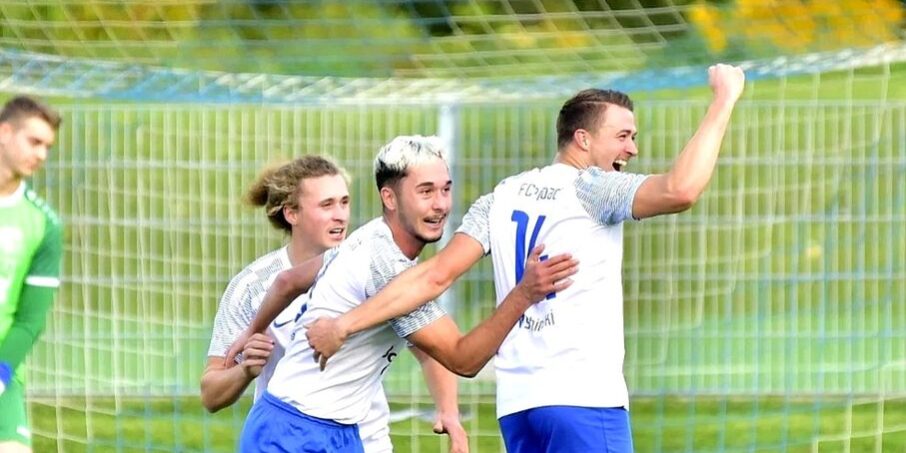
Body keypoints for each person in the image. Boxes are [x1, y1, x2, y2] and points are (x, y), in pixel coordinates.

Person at [303, 64, 746, 453]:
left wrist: (344, 324)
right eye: (623, 136)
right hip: (583, 400)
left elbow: (434, 275)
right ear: (583, 139)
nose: (632, 149)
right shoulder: (593, 188)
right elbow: (680, 189)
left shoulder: (502, 195)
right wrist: (723, 100)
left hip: (519, 407)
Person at [226, 135, 578, 453]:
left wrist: (252, 330)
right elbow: (463, 358)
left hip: (341, 433)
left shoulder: (370, 238)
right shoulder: (388, 269)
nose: (440, 204)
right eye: (425, 192)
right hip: (291, 433)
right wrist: (523, 294)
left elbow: (288, 281)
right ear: (389, 198)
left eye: (445, 189)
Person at [200, 156, 467, 452]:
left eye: (344, 202)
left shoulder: (375, 269)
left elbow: (430, 352)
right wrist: (245, 371)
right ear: (292, 213)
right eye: (326, 205)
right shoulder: (253, 285)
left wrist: (449, 410)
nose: (340, 216)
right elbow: (211, 395)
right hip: (292, 438)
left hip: (366, 440)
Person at [0, 96, 63, 453]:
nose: (41, 155)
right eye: (34, 141)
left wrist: (1, 372)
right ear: (4, 133)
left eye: (47, 147)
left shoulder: (44, 223)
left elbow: (30, 320)